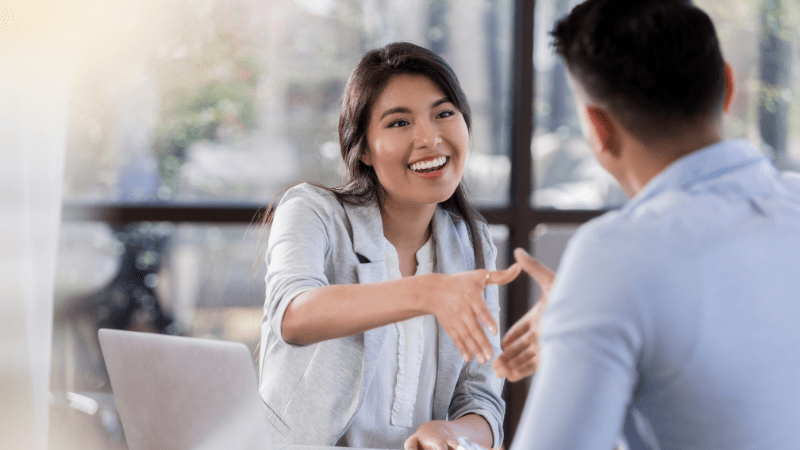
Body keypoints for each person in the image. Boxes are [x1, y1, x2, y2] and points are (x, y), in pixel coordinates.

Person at [493, 1, 800, 449]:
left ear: (599, 129)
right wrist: (591, 318)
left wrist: (591, 304)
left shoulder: (615, 257)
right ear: (729, 86)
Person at [258, 42, 518, 450]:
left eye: (444, 114)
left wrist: (452, 431)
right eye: (399, 123)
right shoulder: (314, 211)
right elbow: (292, 315)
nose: (429, 138)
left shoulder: (471, 242)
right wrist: (424, 292)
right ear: (362, 148)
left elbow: (482, 398)